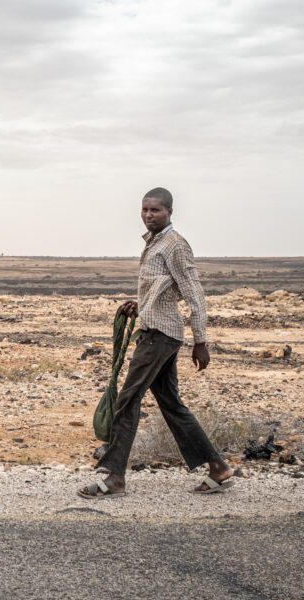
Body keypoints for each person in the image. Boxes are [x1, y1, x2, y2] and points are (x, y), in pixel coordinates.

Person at [79, 188, 234, 498]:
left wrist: (201, 341)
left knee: (127, 401)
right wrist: (141, 306)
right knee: (171, 404)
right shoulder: (155, 244)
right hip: (156, 330)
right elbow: (164, 289)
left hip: (160, 337)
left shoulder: (175, 246)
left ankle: (114, 478)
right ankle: (218, 469)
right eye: (145, 210)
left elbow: (194, 295)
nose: (149, 215)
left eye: (156, 210)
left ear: (170, 212)